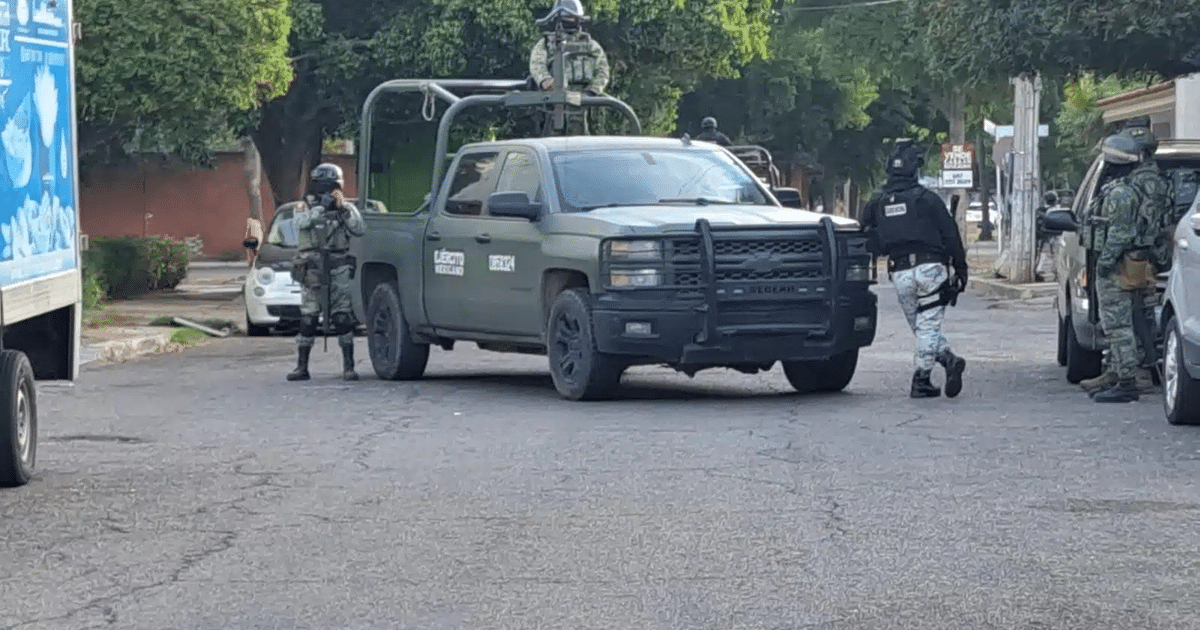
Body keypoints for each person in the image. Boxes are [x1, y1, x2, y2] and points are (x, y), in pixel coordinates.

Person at [862, 139, 969, 398]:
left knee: (922, 327)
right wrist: (961, 268)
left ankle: (949, 361)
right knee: (928, 325)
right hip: (930, 269)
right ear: (915, 168)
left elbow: (866, 234)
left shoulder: (877, 202)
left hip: (899, 272)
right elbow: (950, 234)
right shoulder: (928, 200)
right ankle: (922, 378)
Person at [1086, 134, 1164, 403]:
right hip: (1123, 263)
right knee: (1116, 325)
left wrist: (1105, 263)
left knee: (1118, 326)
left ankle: (1127, 382)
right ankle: (1119, 375)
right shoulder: (1123, 188)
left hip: (1118, 265)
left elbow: (1120, 233)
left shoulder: (1121, 193)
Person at [288, 163, 366, 382]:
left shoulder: (345, 207)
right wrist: (320, 209)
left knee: (342, 316)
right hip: (312, 268)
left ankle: (348, 367)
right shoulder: (304, 206)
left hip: (338, 266)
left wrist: (343, 211)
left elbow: (360, 229)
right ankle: (302, 367)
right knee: (309, 318)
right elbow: (299, 225)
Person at [529, 0, 610, 95]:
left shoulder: (590, 45)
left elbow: (603, 70)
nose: (570, 20)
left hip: (584, 102)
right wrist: (546, 81)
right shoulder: (546, 43)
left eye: (572, 17)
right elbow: (536, 64)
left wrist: (592, 91)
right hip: (552, 101)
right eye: (567, 17)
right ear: (558, 19)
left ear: (579, 19)